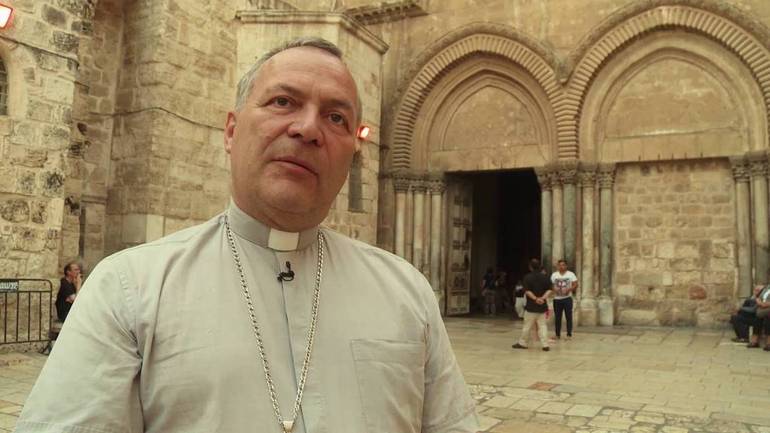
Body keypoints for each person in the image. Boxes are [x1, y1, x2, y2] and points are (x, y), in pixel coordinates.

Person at [16, 37, 479, 433]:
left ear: (351, 156)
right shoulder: (128, 288)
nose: (308, 128)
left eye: (336, 117)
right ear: (231, 132)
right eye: (283, 102)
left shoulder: (406, 293)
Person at [512, 258, 552, 351]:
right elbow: (549, 290)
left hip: (531, 307)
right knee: (543, 326)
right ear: (540, 266)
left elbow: (527, 291)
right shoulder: (545, 277)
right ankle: (545, 345)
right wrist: (542, 298)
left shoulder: (527, 277)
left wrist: (535, 299)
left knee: (527, 326)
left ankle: (523, 343)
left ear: (530, 267)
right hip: (542, 306)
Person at [550, 259, 578, 340]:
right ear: (557, 266)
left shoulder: (571, 274)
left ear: (566, 266)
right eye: (560, 265)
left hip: (567, 298)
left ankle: (569, 334)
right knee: (557, 317)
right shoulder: (554, 275)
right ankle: (557, 334)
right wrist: (554, 289)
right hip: (557, 299)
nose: (561, 267)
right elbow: (551, 285)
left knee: (568, 316)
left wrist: (569, 289)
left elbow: (576, 284)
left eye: (563, 265)